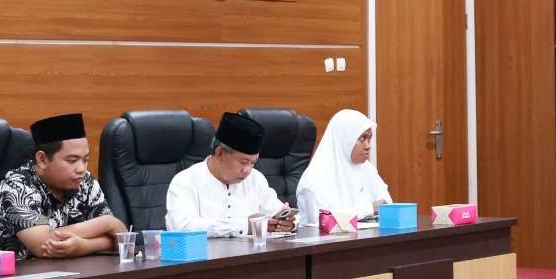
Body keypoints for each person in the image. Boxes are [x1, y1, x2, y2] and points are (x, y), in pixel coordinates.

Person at [0, 113, 126, 259]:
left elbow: (121, 238)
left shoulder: (85, 181)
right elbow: (44, 245)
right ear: (42, 160)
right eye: (72, 160)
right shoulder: (17, 185)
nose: (81, 169)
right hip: (3, 272)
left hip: (69, 270)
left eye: (85, 160)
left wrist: (84, 246)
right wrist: (107, 223)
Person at [166, 111, 296, 236]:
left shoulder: (256, 179)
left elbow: (281, 212)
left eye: (253, 163)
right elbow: (181, 227)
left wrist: (289, 223)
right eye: (243, 162)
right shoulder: (186, 181)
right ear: (220, 153)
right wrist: (243, 226)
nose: (247, 170)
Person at [296, 109, 392, 225]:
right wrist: (369, 209)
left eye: (369, 139)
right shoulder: (314, 179)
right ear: (344, 139)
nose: (368, 146)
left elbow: (386, 203)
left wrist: (363, 212)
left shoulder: (367, 168)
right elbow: (324, 223)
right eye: (362, 138)